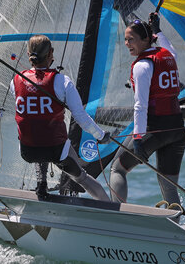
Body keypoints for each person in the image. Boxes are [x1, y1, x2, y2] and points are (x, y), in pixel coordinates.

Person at [10, 35, 111, 201]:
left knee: (36, 130)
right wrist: (101, 135)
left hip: (28, 152)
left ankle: (41, 183)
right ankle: (110, 209)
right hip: (57, 150)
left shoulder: (15, 80)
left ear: (29, 54)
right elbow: (81, 118)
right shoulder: (62, 81)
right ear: (51, 54)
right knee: (81, 177)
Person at [109, 13, 185, 208]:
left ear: (145, 39)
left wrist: (137, 140)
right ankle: (176, 225)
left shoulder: (142, 66)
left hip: (154, 128)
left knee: (117, 169)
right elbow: (171, 48)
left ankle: (117, 218)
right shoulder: (168, 56)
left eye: (131, 40)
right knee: (168, 185)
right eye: (125, 40)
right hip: (177, 129)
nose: (127, 44)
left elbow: (140, 106)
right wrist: (158, 31)